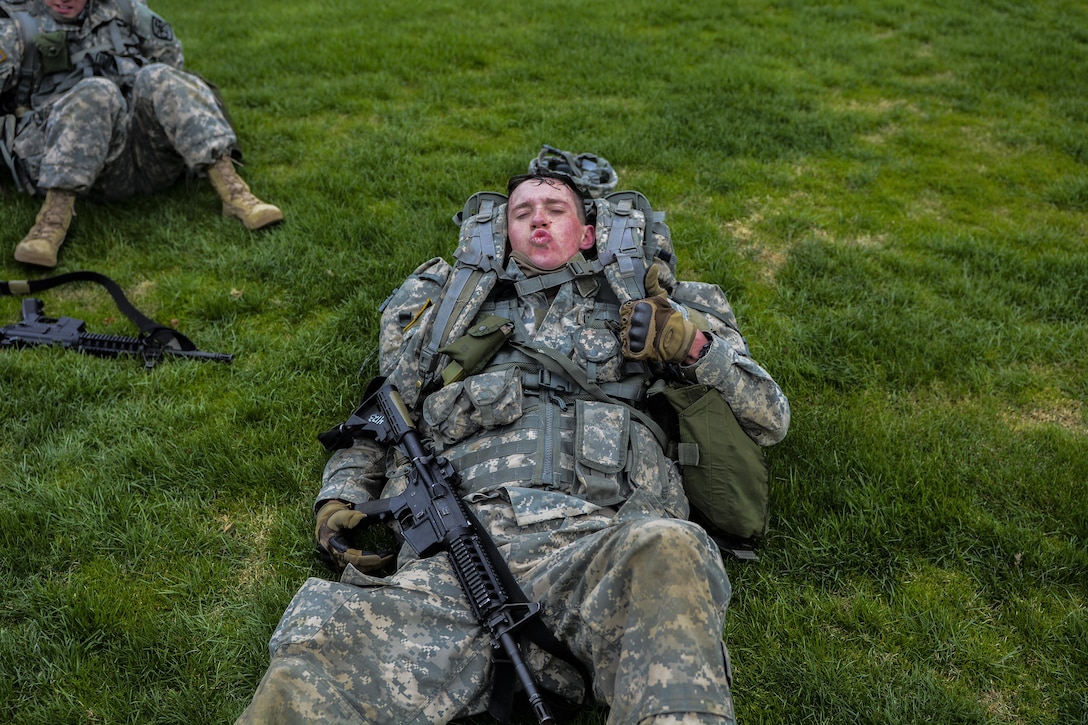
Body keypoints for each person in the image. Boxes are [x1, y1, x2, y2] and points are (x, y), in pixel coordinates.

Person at [236, 170, 791, 725]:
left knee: (671, 549)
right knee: (310, 670)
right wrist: (340, 497)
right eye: (522, 212)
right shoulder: (449, 316)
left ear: (589, 234)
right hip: (454, 555)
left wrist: (691, 344)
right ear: (505, 233)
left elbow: (769, 416)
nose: (539, 219)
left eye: (555, 208)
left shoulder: (657, 306)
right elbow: (381, 418)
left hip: (601, 543)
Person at [0, 0, 282, 268]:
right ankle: (51, 222)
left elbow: (172, 59)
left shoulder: (124, 9)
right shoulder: (19, 27)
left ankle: (234, 192)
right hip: (85, 167)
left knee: (160, 75)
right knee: (96, 92)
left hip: (148, 154)